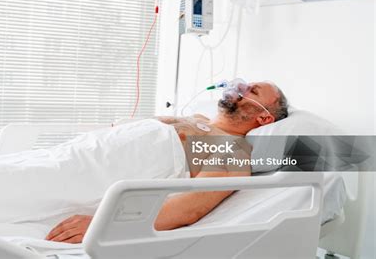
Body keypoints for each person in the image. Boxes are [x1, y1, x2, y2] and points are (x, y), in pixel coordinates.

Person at [46, 81, 288, 243]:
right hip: (75, 153)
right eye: (244, 85)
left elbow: (189, 208)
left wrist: (102, 224)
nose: (240, 88)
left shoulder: (233, 150)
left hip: (86, 174)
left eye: (252, 92)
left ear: (264, 118)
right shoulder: (196, 118)